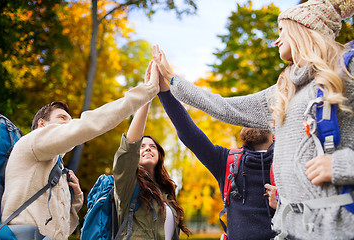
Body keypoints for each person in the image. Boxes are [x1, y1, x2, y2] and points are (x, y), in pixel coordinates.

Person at [152, 0, 354, 239]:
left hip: (336, 229)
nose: (276, 40)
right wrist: (173, 80)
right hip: (290, 232)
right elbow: (225, 107)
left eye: (281, 31)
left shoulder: (345, 71)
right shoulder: (284, 89)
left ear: (303, 28)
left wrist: (341, 165)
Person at [0, 63, 160, 240]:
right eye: (62, 118)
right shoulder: (32, 142)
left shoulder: (59, 171)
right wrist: (147, 91)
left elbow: (64, 231)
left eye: (70, 120)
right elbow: (89, 124)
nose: (68, 124)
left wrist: (75, 200)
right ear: (41, 125)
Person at [157, 77, 275, 240]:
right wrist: (164, 91)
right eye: (246, 116)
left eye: (258, 114)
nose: (250, 118)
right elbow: (188, 132)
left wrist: (284, 204)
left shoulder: (290, 159)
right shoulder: (227, 161)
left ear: (275, 128)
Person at [112, 62, 189, 240]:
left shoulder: (167, 192)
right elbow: (129, 146)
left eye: (152, 146)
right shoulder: (127, 186)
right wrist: (148, 94)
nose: (147, 148)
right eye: (142, 147)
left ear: (160, 155)